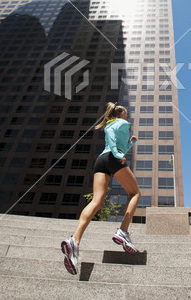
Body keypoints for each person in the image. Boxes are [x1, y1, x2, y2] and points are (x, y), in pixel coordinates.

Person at [61, 102, 140, 275]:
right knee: (135, 193)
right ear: (121, 114)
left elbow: (118, 144)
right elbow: (111, 137)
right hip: (112, 157)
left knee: (97, 202)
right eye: (126, 114)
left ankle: (75, 241)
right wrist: (119, 154)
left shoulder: (112, 123)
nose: (128, 117)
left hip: (102, 160)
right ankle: (123, 231)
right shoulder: (122, 123)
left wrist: (129, 144)